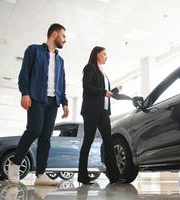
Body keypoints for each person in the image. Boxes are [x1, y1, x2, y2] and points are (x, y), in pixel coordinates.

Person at [8, 23, 69, 186]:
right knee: (34, 130)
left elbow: (62, 83)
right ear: (55, 34)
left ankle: (41, 174)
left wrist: (64, 102)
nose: (65, 40)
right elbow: (25, 73)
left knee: (46, 137)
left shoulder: (60, 60)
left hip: (53, 102)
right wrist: (25, 93)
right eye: (63, 36)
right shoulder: (33, 50)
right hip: (37, 98)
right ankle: (15, 164)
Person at [78, 46, 125, 185]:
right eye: (104, 54)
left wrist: (115, 90)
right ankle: (82, 176)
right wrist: (105, 92)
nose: (106, 56)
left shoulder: (103, 73)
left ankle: (114, 176)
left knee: (109, 142)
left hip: (103, 111)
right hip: (91, 110)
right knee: (88, 141)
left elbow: (105, 92)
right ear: (97, 54)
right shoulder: (90, 68)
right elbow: (87, 87)